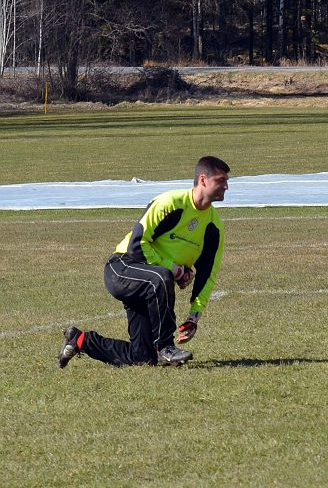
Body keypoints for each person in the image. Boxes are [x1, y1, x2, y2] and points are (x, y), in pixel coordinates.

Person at [57, 156, 229, 368]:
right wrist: (175, 270)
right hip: (122, 267)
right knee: (161, 277)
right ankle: (166, 347)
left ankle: (80, 340)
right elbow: (137, 244)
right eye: (221, 180)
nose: (226, 186)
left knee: (142, 357)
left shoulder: (214, 227)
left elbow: (207, 275)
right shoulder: (170, 203)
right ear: (203, 180)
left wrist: (194, 315)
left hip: (151, 288)